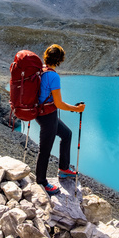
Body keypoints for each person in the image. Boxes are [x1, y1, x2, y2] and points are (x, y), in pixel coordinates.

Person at [35, 44, 86, 196]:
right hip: (47, 116)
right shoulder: (53, 76)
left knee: (66, 134)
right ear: (60, 60)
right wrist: (76, 109)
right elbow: (59, 103)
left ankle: (64, 169)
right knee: (45, 150)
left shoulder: (41, 71)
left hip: (42, 113)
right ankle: (41, 182)